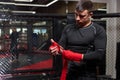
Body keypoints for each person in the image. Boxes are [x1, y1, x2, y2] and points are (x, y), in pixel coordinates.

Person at [49, 0, 107, 80]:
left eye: (82, 16)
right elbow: (61, 46)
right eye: (76, 14)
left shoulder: (98, 30)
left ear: (90, 15)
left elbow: (99, 54)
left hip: (88, 73)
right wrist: (56, 49)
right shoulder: (68, 28)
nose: (77, 18)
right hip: (70, 71)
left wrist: (75, 56)